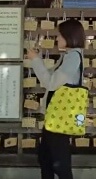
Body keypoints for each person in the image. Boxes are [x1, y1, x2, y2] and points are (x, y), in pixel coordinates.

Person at [27, 19, 85, 179]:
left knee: (59, 163)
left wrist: (35, 60)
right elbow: (51, 75)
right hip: (55, 116)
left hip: (60, 117)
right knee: (45, 158)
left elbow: (50, 83)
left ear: (69, 36)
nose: (57, 39)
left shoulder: (73, 57)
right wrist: (37, 59)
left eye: (59, 35)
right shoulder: (67, 56)